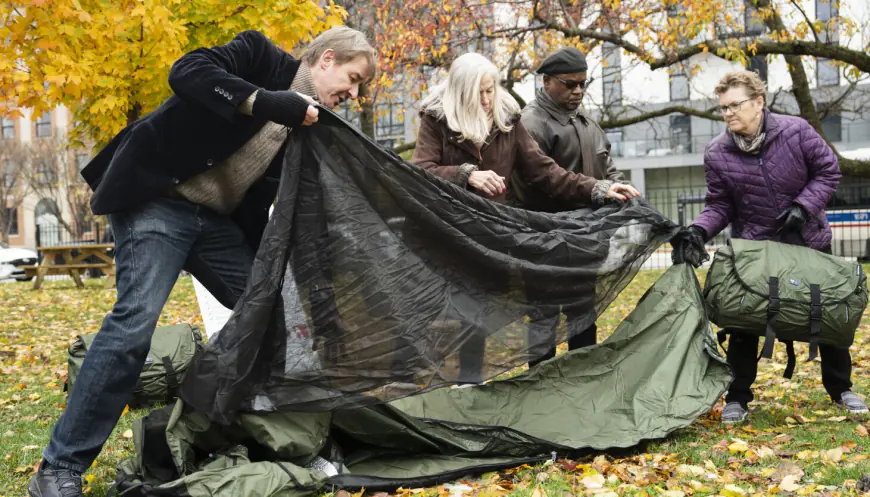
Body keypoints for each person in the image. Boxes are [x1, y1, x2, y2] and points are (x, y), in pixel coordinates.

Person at [28, 27, 376, 497]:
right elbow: (186, 72)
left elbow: (260, 204)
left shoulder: (305, 128)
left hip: (215, 224)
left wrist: (267, 275)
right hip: (156, 199)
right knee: (134, 327)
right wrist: (266, 101)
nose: (352, 94)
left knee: (273, 317)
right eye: (353, 79)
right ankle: (59, 468)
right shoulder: (258, 57)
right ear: (327, 59)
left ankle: (289, 441)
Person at [411, 52, 637, 381]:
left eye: (491, 90)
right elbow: (421, 171)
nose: (487, 99)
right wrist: (466, 174)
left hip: (494, 233)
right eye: (479, 93)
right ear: (461, 92)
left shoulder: (508, 120)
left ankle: (542, 383)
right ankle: (467, 385)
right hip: (454, 232)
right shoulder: (436, 120)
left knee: (490, 309)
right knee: (466, 310)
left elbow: (547, 173)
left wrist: (597, 189)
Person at [671, 70, 868, 425]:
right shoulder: (717, 152)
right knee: (744, 322)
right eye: (723, 108)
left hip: (808, 241)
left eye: (736, 105)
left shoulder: (797, 131)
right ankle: (737, 398)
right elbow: (719, 205)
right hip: (756, 250)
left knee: (825, 313)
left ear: (759, 102)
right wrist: (698, 231)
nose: (729, 113)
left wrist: (803, 207)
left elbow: (828, 170)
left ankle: (842, 390)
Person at [519, 46, 639, 365]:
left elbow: (607, 165)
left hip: (584, 242)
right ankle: (539, 392)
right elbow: (546, 179)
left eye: (583, 83)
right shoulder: (531, 124)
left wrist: (618, 185)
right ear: (546, 82)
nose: (578, 91)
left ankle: (582, 384)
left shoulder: (586, 122)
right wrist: (598, 189)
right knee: (544, 319)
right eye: (570, 83)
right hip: (546, 242)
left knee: (583, 316)